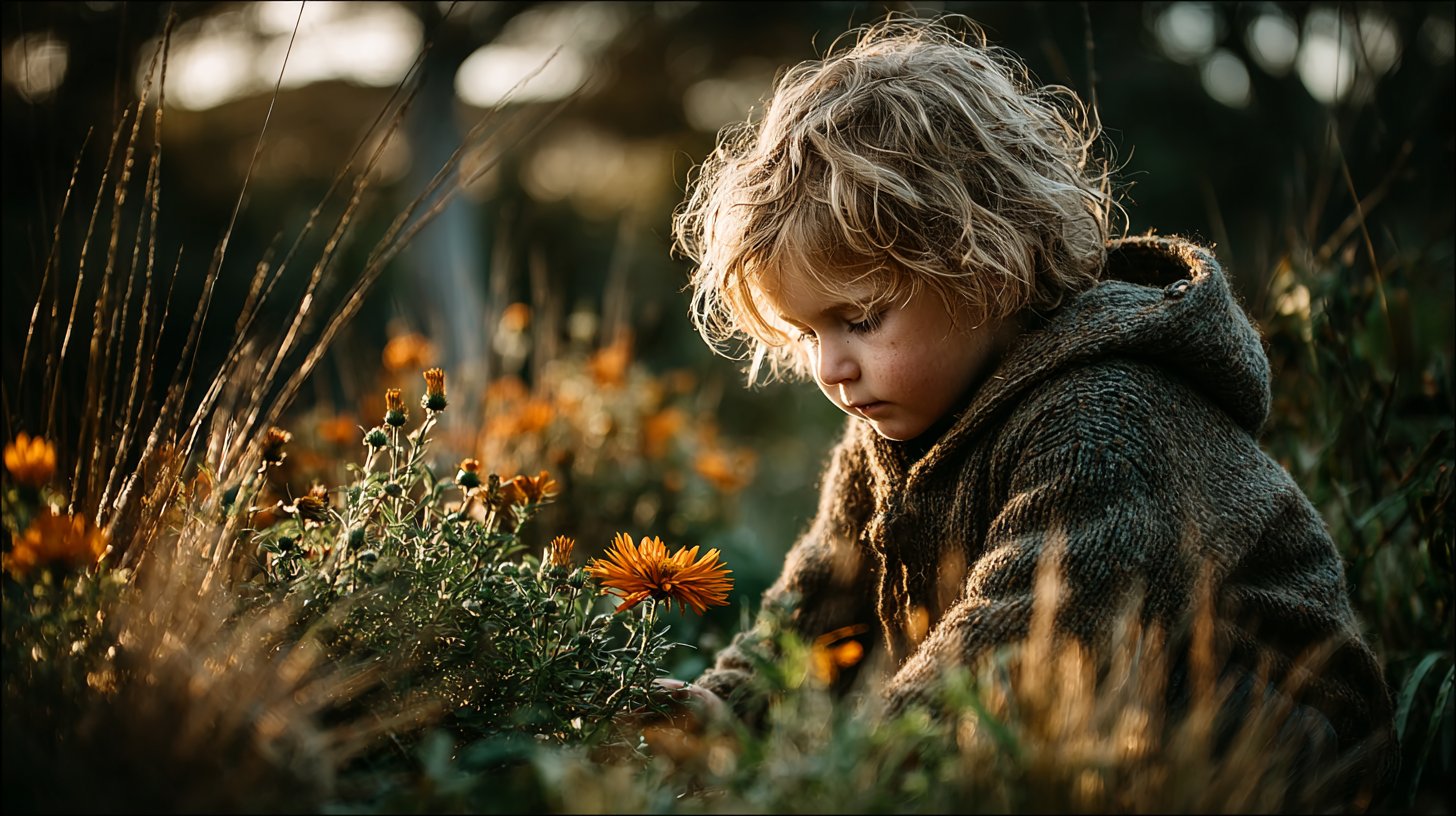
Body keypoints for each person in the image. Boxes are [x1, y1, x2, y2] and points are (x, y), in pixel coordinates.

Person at [663, 12, 1396, 807]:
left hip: (1278, 748)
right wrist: (728, 707)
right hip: (1088, 721)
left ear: (986, 266)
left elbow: (1016, 643)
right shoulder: (889, 418)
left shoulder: (1102, 414)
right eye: (807, 333)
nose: (831, 368)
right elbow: (822, 593)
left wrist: (844, 780)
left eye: (861, 319)